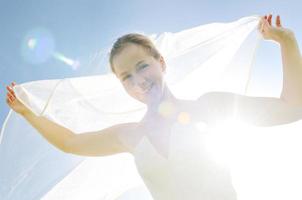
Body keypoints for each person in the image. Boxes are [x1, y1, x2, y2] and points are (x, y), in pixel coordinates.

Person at [5, 14, 302, 199]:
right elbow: (70, 142)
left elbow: (292, 107)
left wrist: (286, 43)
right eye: (126, 77)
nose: (139, 81)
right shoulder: (130, 135)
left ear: (161, 62)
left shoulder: (210, 106)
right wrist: (28, 112)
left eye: (142, 66)